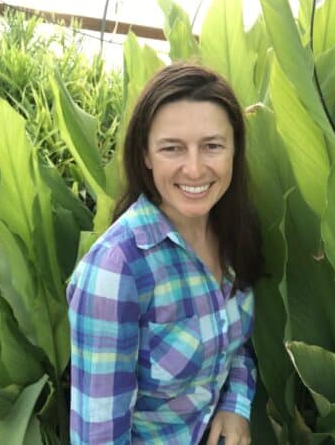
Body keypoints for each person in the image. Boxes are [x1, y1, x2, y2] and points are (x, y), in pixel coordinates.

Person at [67, 62, 263, 444]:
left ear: (234, 150)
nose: (194, 168)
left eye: (212, 146)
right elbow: (99, 436)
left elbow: (238, 342)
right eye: (172, 148)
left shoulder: (233, 232)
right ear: (145, 155)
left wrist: (235, 405)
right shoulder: (117, 269)